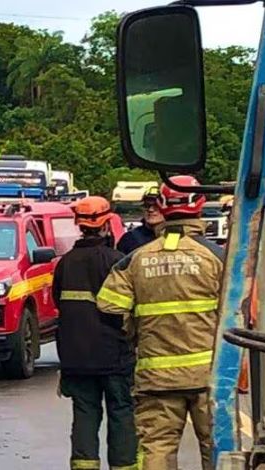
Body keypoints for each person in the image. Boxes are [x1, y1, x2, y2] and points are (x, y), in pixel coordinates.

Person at [97, 175, 225, 470]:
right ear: (200, 206)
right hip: (210, 377)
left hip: (156, 377)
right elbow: (241, 311)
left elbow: (108, 308)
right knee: (216, 448)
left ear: (163, 207)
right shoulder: (218, 257)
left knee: (156, 450)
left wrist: (133, 334)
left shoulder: (134, 260)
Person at [52, 196, 137, 470]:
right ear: (106, 224)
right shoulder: (117, 261)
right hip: (114, 356)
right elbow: (129, 309)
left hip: (76, 357)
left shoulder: (65, 263)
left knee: (85, 414)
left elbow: (59, 304)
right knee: (121, 413)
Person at [116, 187, 165, 255]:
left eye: (156, 206)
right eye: (147, 206)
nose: (151, 210)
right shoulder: (130, 239)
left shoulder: (178, 236)